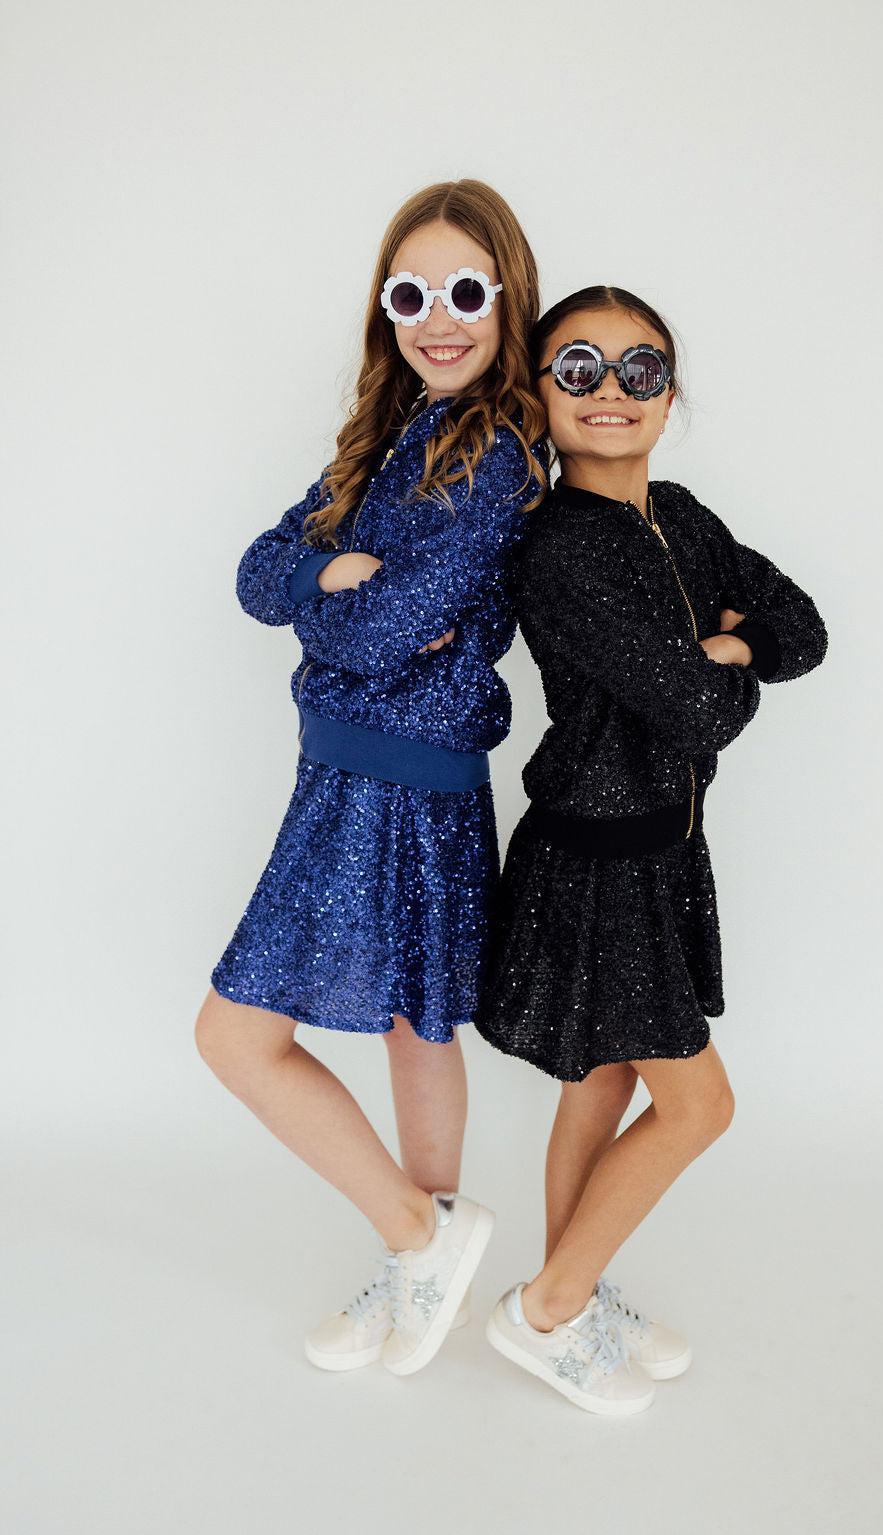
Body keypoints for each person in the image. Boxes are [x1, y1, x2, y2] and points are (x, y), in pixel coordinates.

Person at [194, 179, 547, 1378]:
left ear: (507, 300)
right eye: (411, 294)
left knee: (236, 1036)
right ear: (384, 308)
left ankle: (418, 1237)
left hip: (396, 782)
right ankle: (420, 1260)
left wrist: (348, 593)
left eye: (464, 291)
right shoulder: (389, 435)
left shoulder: (495, 453)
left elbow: (377, 632)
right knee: (412, 1022)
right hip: (358, 769)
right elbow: (256, 571)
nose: (436, 318)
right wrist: (323, 578)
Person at [475, 286, 828, 1415]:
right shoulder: (560, 549)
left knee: (604, 1084)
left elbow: (803, 624)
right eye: (579, 368)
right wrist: (722, 658)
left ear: (670, 395)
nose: (613, 391)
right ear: (540, 392)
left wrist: (738, 641)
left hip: (663, 849)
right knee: (698, 1107)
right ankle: (542, 1310)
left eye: (641, 369)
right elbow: (701, 711)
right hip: (596, 864)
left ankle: (568, 1292)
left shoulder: (680, 514)